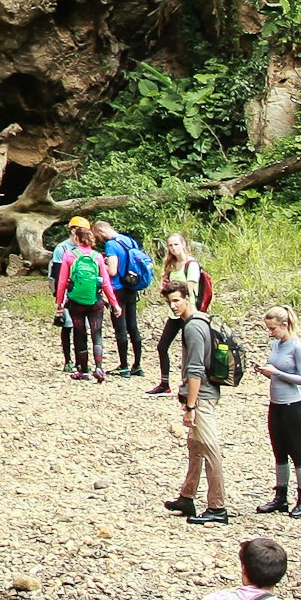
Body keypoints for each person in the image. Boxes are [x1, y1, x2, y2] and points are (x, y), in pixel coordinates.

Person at [164, 287, 229, 524]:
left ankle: (217, 507)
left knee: (210, 449)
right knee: (195, 447)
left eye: (177, 301)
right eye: (170, 302)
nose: (173, 306)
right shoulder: (200, 321)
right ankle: (187, 496)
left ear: (187, 299)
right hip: (201, 396)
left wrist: (190, 406)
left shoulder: (193, 327)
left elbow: (195, 370)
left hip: (201, 397)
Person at [258, 305, 301, 516]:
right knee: (278, 450)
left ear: (285, 325)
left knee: (295, 451)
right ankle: (280, 495)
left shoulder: (297, 347)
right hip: (276, 404)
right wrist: (267, 372)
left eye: (273, 329)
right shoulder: (276, 345)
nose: (271, 333)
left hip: (293, 405)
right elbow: (275, 372)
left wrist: (277, 372)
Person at [149, 235, 214, 395]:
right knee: (162, 346)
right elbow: (165, 287)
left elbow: (189, 289)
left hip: (189, 312)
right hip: (174, 313)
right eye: (170, 245)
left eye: (176, 244)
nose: (173, 248)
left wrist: (173, 290)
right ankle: (165, 383)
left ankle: (193, 384)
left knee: (190, 349)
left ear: (184, 244)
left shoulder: (191, 265)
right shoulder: (171, 265)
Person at [51, 218, 112, 381]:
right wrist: (114, 303)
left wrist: (59, 302)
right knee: (97, 333)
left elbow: (61, 281)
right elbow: (105, 282)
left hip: (75, 301)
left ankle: (83, 371)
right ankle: (99, 368)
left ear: (77, 237)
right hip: (95, 300)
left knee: (80, 333)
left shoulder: (68, 255)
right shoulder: (97, 256)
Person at [100, 220, 153, 376]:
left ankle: (123, 366)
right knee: (133, 327)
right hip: (132, 287)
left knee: (120, 328)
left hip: (118, 289)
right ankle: (137, 365)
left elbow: (112, 271)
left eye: (98, 236)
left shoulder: (111, 245)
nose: (99, 239)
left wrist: (103, 263)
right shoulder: (129, 240)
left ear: (102, 231)